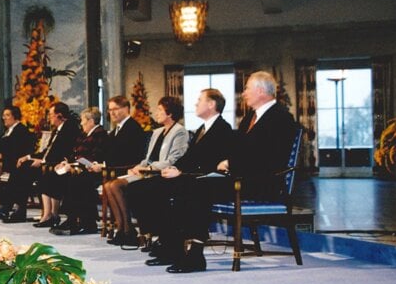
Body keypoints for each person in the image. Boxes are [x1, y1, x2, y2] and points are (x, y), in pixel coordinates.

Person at [159, 72, 297, 273]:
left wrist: (231, 163)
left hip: (262, 183)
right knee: (184, 184)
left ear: (260, 90)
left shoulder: (281, 117)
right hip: (241, 177)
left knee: (197, 186)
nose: (244, 93)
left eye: (248, 88)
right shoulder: (251, 116)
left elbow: (269, 158)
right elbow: (240, 148)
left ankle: (196, 254)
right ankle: (178, 248)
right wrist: (227, 162)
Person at [131, 88, 234, 260]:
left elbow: (211, 162)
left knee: (162, 189)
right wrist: (174, 168)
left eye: (199, 100)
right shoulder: (203, 128)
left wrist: (181, 173)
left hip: (207, 181)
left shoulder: (223, 128)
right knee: (141, 188)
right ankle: (164, 239)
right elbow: (189, 157)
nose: (195, 103)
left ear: (211, 104)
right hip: (192, 176)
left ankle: (171, 245)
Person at [102, 96, 188, 246]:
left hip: (158, 173)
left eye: (160, 110)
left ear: (170, 113)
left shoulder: (179, 132)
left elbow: (173, 159)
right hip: (147, 171)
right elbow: (148, 157)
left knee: (115, 185)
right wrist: (138, 166)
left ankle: (129, 231)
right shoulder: (157, 132)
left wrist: (148, 168)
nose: (157, 112)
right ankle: (122, 229)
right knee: (109, 185)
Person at [0, 102, 79, 225]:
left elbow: (64, 152)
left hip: (55, 165)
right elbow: (47, 151)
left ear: (59, 115)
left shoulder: (69, 130)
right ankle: (18, 208)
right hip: (47, 163)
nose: (49, 117)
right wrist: (28, 156)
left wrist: (43, 161)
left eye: (51, 114)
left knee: (24, 171)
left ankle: (19, 208)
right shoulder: (58, 129)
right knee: (21, 167)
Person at [50, 107, 109, 235]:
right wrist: (67, 162)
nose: (81, 123)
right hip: (80, 169)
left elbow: (96, 156)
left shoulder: (100, 134)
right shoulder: (83, 134)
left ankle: (85, 221)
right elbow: (75, 152)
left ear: (91, 121)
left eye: (83, 120)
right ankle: (71, 218)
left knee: (76, 180)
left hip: (94, 171)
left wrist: (75, 165)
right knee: (61, 177)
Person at [103, 95, 148, 168]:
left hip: (126, 173)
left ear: (126, 109)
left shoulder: (134, 128)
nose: (112, 113)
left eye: (115, 109)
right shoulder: (114, 131)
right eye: (110, 110)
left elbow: (129, 158)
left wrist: (104, 166)